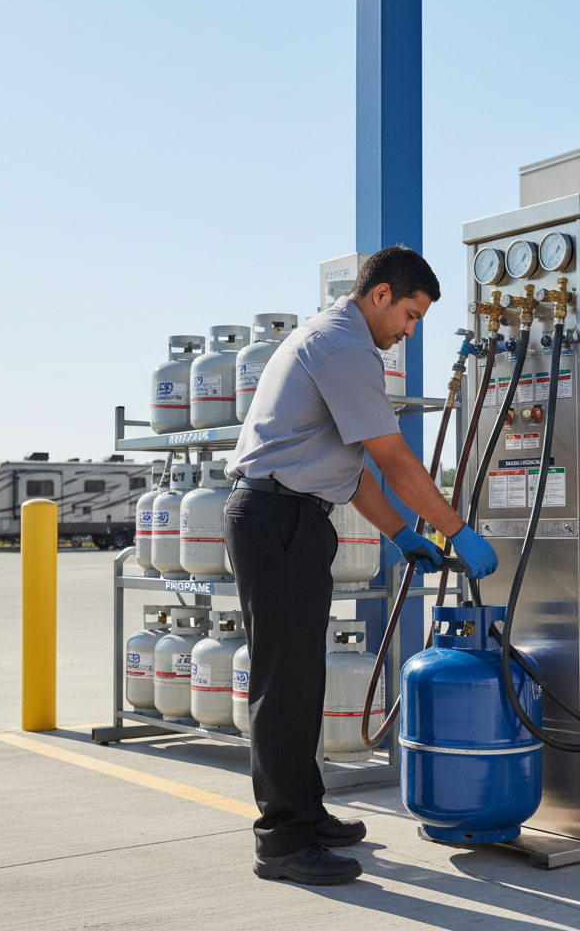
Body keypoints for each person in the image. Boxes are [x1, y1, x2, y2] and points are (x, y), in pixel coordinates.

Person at [224, 245, 498, 886]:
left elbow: (353, 475)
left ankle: (307, 813)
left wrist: (404, 535)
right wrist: (458, 530)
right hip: (278, 520)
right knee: (284, 685)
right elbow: (396, 461)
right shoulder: (346, 348)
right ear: (379, 295)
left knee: (300, 680)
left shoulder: (332, 340)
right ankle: (283, 842)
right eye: (410, 313)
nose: (409, 329)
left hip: (291, 517)